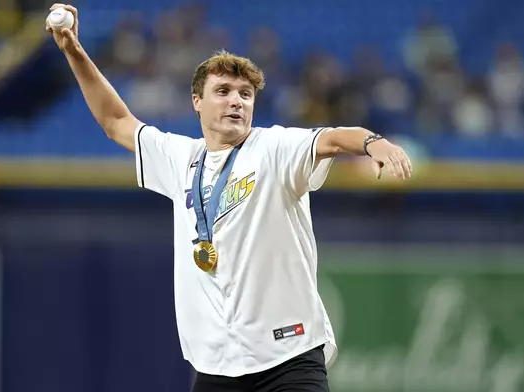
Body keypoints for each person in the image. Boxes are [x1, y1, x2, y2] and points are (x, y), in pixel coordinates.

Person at [46, 4, 412, 392]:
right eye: (222, 91)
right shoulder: (180, 159)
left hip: (287, 358)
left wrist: (373, 142)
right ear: (196, 101)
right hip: (217, 366)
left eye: (245, 94)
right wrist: (74, 51)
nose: (236, 101)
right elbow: (116, 121)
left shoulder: (273, 147)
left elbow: (334, 137)